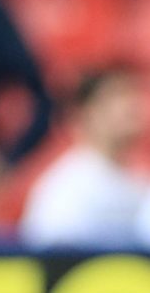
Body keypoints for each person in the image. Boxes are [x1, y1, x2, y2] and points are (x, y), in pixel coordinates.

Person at [20, 68, 149, 249]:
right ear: (85, 113)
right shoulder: (66, 186)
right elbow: (52, 254)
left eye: (132, 95)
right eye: (115, 98)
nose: (130, 107)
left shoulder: (139, 182)